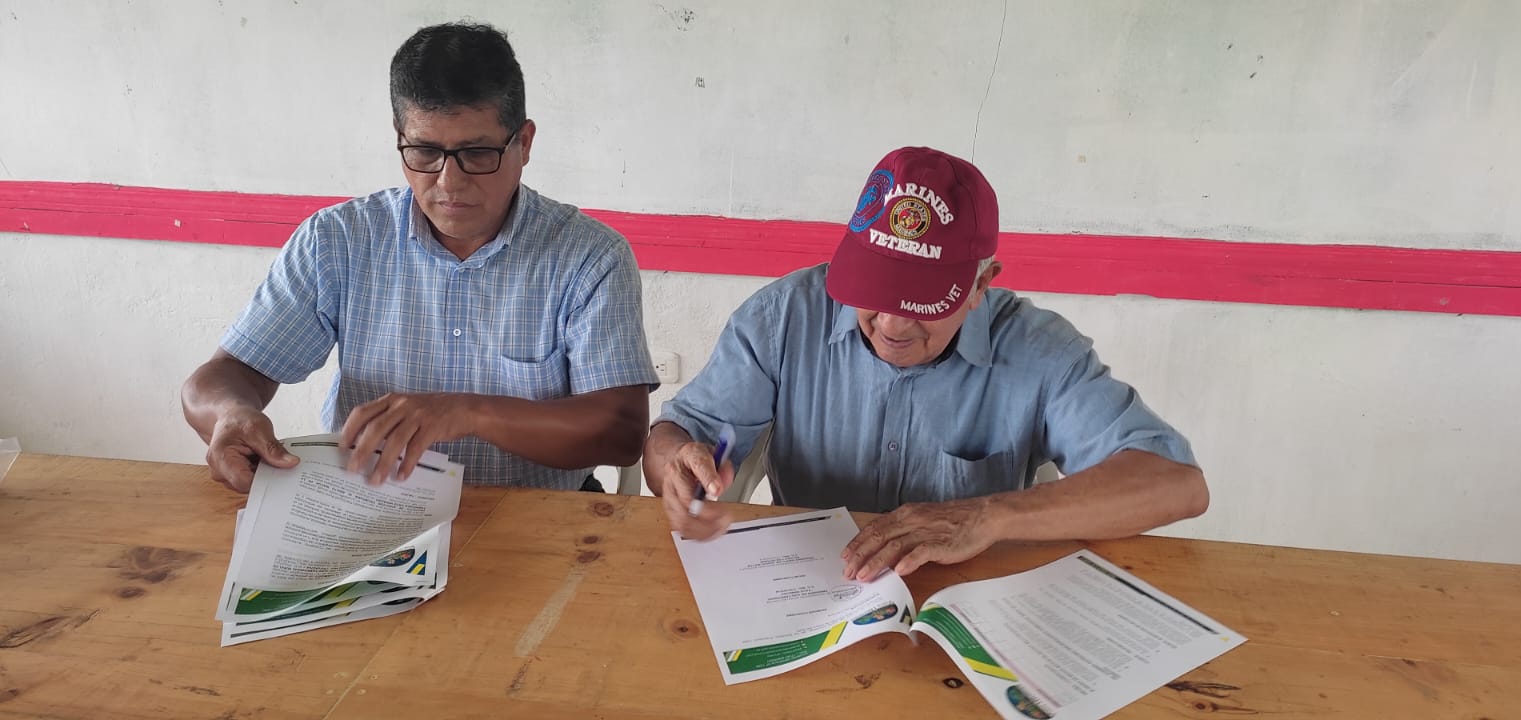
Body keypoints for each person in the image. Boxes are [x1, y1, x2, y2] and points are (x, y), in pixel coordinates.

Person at [644, 146, 1207, 580]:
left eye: (922, 304)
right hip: (808, 587)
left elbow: (1176, 484)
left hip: (968, 599)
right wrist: (679, 464)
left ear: (980, 285)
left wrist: (991, 515)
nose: (891, 326)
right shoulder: (784, 317)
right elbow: (677, 438)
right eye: (874, 291)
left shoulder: (1039, 350)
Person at [182, 22, 657, 492]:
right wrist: (229, 413)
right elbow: (222, 378)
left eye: (477, 153)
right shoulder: (338, 241)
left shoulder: (588, 257)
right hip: (372, 508)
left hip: (536, 514)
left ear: (524, 143)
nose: (449, 182)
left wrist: (470, 413)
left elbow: (622, 433)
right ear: (399, 139)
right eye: (425, 152)